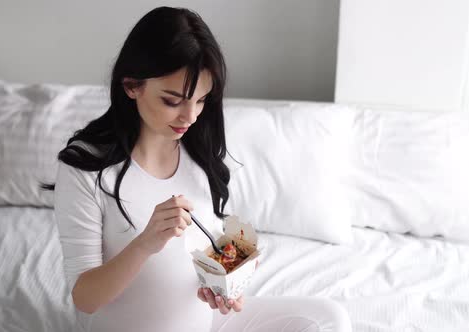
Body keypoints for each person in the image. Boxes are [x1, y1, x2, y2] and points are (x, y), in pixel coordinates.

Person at [45, 6, 352, 332]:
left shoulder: (198, 153)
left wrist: (225, 283)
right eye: (172, 100)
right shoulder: (85, 168)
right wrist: (144, 243)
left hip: (206, 321)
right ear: (132, 86)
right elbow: (85, 298)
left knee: (328, 318)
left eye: (201, 100)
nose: (190, 117)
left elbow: (213, 241)